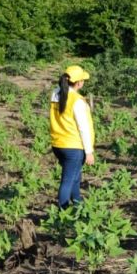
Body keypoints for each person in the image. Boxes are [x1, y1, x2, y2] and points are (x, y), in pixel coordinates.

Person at [49, 65, 95, 208]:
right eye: (83, 80)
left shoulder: (56, 94)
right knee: (68, 181)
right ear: (79, 82)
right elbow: (83, 128)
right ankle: (62, 214)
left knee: (75, 178)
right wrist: (89, 152)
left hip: (58, 144)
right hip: (73, 146)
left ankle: (78, 206)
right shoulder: (77, 101)